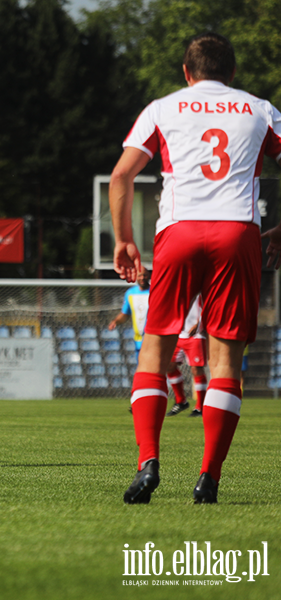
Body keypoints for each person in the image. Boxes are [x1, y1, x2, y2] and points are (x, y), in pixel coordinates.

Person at [110, 32, 281, 504]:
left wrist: (124, 240)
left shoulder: (162, 109)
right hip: (237, 233)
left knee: (156, 352)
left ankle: (148, 464)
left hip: (179, 232)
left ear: (187, 73)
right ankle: (209, 477)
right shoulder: (260, 109)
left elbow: (123, 174)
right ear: (232, 73)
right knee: (226, 361)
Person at [166, 296, 208, 417]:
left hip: (196, 334)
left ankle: (200, 407)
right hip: (177, 333)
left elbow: (207, 306)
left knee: (196, 369)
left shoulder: (199, 289)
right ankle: (181, 401)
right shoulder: (176, 287)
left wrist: (199, 324)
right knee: (169, 365)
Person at [108, 270, 150, 363]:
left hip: (153, 338)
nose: (142, 278)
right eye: (140, 275)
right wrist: (116, 321)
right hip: (138, 339)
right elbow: (125, 314)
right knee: (140, 367)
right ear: (136, 276)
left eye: (145, 275)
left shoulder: (154, 292)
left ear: (149, 276)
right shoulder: (130, 293)